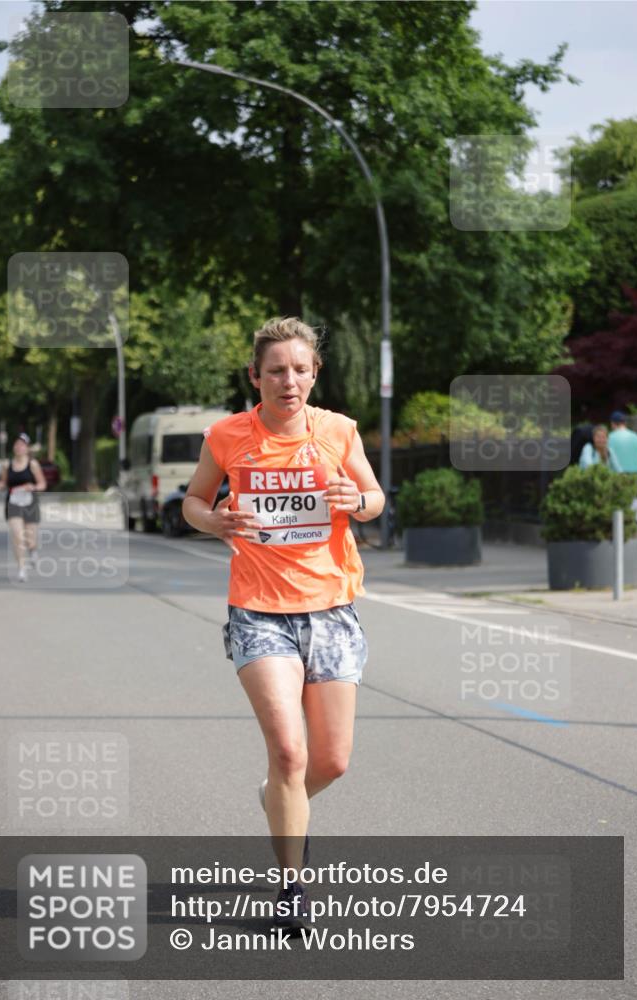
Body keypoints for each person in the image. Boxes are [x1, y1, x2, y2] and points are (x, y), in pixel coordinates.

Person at [182, 317, 384, 930]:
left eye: (299, 369)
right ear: (255, 376)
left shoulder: (339, 432)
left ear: (314, 373)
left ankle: (277, 804)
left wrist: (358, 502)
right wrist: (211, 521)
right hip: (259, 612)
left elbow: (374, 498)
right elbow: (193, 500)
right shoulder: (226, 436)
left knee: (332, 761)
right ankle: (292, 889)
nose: (288, 380)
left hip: (331, 609)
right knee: (290, 752)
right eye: (275, 370)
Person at [0, 432, 47, 581]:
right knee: (18, 535)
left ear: (27, 448)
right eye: (17, 444)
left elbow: (42, 484)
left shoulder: (33, 464)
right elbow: (3, 483)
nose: (19, 447)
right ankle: (22, 569)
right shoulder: (7, 465)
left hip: (30, 502)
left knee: (30, 538)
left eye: (22, 445)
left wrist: (33, 487)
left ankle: (33, 550)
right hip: (13, 502)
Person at [609, 411, 637, 476]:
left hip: (617, 475)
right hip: (635, 475)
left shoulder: (609, 437)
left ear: (612, 423)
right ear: (624, 423)